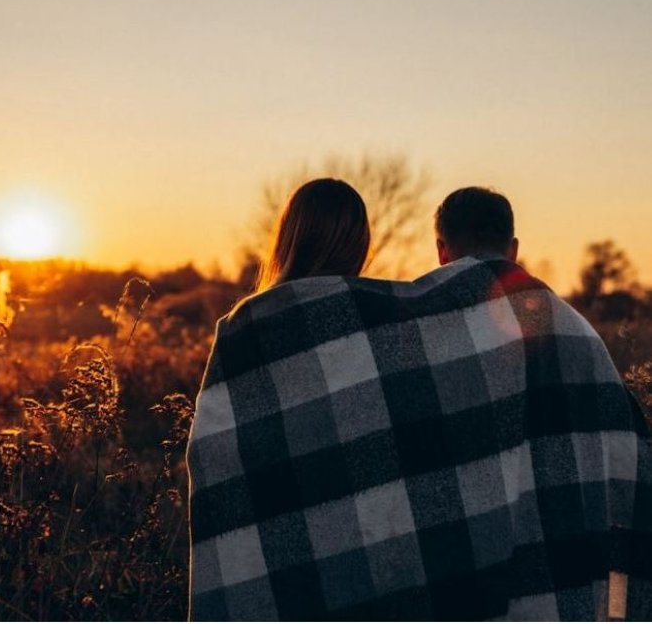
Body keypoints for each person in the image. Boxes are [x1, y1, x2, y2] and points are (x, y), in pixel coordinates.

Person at [187, 182, 652, 620]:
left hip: (307, 569)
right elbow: (618, 440)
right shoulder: (560, 325)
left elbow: (222, 466)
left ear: (440, 251)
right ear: (513, 249)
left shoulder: (250, 330)